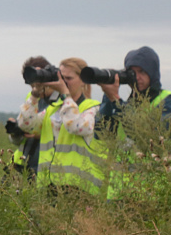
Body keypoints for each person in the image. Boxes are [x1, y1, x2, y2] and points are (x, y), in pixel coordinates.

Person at [17, 57, 105, 196]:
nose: (64, 83)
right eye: (61, 78)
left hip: (79, 188)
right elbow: (26, 124)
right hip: (48, 185)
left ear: (83, 81)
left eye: (69, 78)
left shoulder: (92, 108)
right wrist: (35, 94)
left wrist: (65, 95)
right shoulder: (54, 109)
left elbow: (75, 126)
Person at [98, 46, 171, 134]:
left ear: (152, 73)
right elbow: (101, 132)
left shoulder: (169, 100)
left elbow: (151, 134)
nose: (137, 77)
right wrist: (109, 98)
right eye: (132, 73)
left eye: (142, 71)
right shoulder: (129, 104)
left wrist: (116, 100)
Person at [5, 56, 60, 177]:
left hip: (46, 167)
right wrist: (16, 132)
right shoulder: (32, 97)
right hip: (22, 163)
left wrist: (40, 135)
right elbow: (19, 134)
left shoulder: (62, 99)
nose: (34, 86)